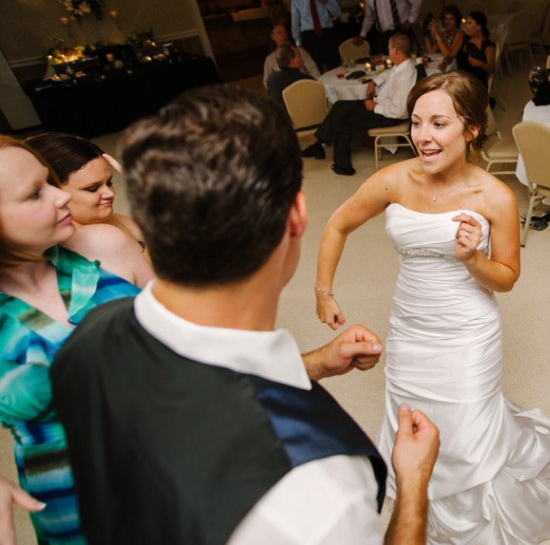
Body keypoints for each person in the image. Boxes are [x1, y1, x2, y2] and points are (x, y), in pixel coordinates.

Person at [49, 86, 440, 545]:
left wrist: (314, 364)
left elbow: (190, 395)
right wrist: (413, 484)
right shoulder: (318, 485)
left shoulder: (87, 337)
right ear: (296, 216)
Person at [315, 71, 550, 544]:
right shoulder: (395, 179)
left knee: (465, 428)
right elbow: (337, 225)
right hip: (409, 326)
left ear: (471, 129)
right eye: (416, 123)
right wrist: (324, 291)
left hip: (468, 332)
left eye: (439, 124)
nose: (423, 136)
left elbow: (507, 278)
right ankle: (417, 504)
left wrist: (473, 258)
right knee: (411, 417)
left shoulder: (495, 196)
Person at [0, 136, 151, 545]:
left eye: (50, 181)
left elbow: (191, 333)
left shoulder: (105, 244)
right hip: (79, 503)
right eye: (35, 193)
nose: (61, 196)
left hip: (183, 460)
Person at [24, 133, 155, 265]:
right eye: (92, 188)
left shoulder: (105, 219)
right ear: (52, 191)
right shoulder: (80, 244)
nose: (110, 193)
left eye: (109, 183)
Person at [301, 33, 418, 176]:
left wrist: (374, 107)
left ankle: (343, 166)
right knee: (339, 106)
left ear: (395, 50)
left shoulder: (405, 76)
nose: (388, 51)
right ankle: (319, 144)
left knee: (345, 122)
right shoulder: (401, 66)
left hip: (389, 114)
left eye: (389, 48)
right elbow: (389, 73)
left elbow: (399, 111)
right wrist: (373, 82)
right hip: (380, 103)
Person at [290, 0, 341, 71]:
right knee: (314, 68)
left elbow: (337, 13)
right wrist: (298, 43)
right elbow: (295, 21)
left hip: (326, 34)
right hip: (309, 36)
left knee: (333, 66)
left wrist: (323, 0)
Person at [446, 11, 495, 88]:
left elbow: (492, 68)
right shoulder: (465, 39)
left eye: (470, 23)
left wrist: (481, 64)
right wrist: (445, 62)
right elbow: (452, 54)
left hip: (476, 84)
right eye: (467, 23)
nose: (466, 26)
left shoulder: (487, 46)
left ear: (479, 26)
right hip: (461, 80)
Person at [265, 43, 314, 114]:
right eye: (299, 56)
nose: (301, 58)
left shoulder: (271, 80)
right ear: (292, 62)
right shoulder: (307, 81)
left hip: (281, 119)